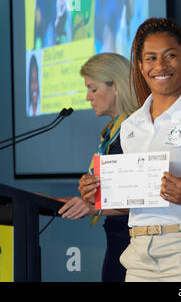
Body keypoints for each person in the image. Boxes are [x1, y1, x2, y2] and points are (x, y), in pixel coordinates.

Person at [105, 17, 181, 282]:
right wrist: (100, 194)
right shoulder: (131, 126)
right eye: (150, 58)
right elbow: (135, 200)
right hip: (138, 255)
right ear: (139, 66)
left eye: (170, 56)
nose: (160, 66)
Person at [58, 53, 139, 282]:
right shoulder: (110, 132)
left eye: (93, 89)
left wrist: (94, 206)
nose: (87, 97)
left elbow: (139, 198)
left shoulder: (136, 131)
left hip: (134, 243)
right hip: (115, 238)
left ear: (116, 86)